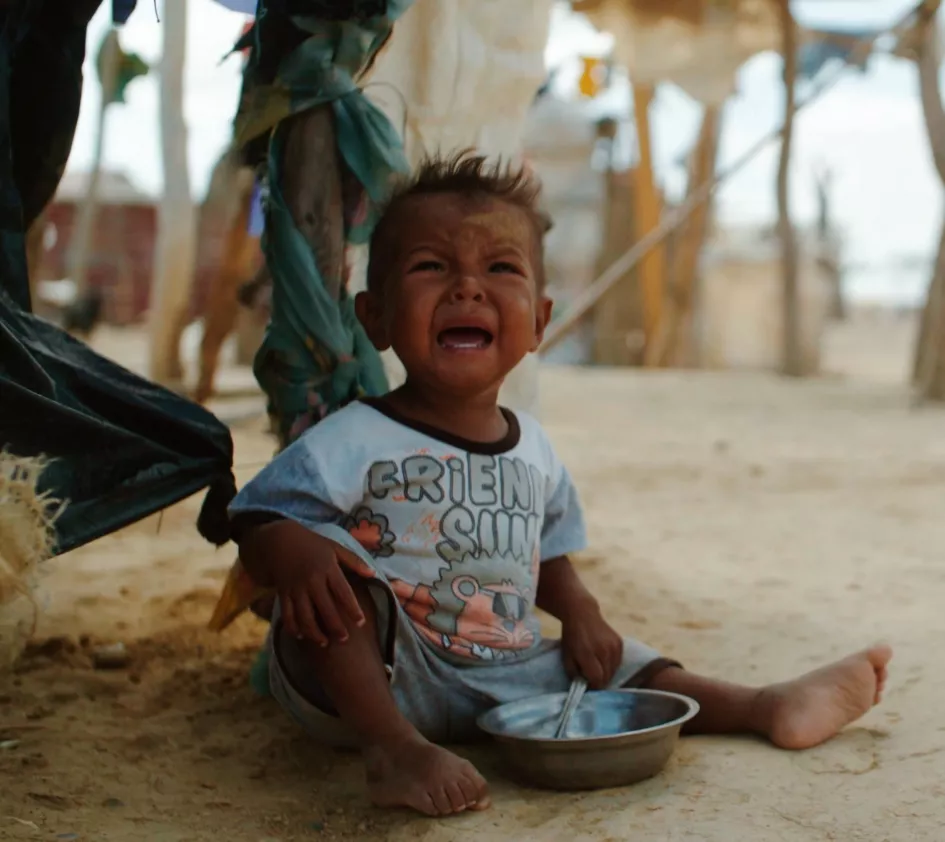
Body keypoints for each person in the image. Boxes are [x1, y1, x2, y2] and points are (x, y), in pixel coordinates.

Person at [229, 152, 892, 817]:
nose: (467, 289)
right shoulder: (355, 436)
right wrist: (297, 551)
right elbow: (252, 517)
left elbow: (545, 553)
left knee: (626, 664)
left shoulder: (534, 448)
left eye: (500, 268)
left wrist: (578, 611)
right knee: (342, 585)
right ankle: (393, 751)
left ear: (539, 322)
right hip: (378, 677)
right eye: (430, 267)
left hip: (509, 672)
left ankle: (762, 705)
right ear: (374, 318)